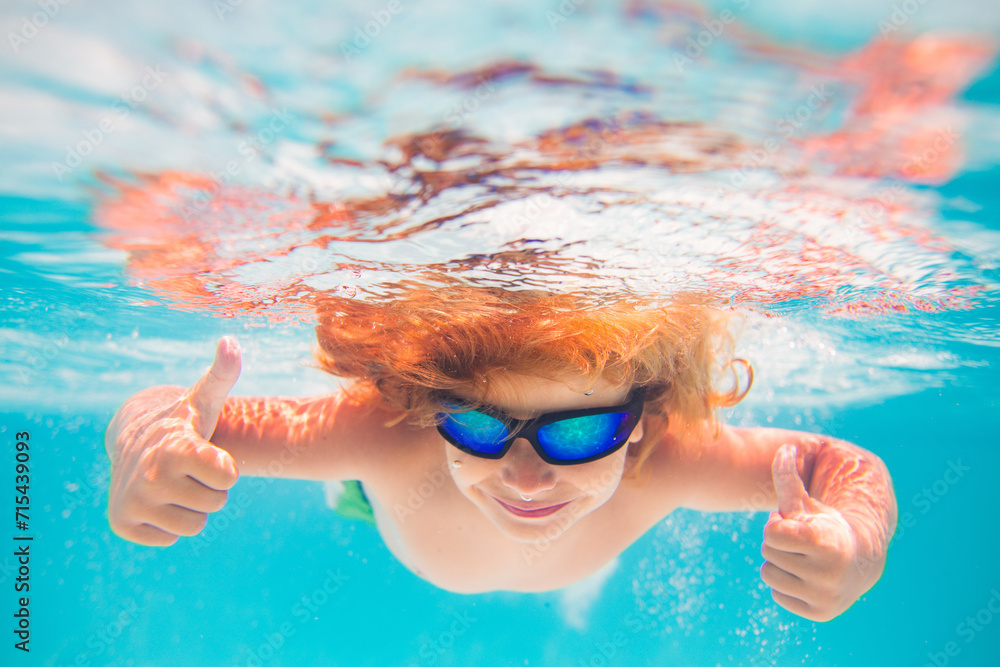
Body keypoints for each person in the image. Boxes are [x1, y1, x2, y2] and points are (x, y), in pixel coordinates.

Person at [105, 284, 897, 622]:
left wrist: (856, 536)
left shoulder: (669, 456)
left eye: (580, 432)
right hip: (377, 493)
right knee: (350, 484)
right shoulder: (381, 435)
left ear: (645, 419)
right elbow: (179, 416)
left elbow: (841, 464)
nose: (526, 475)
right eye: (478, 425)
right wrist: (148, 443)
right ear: (428, 410)